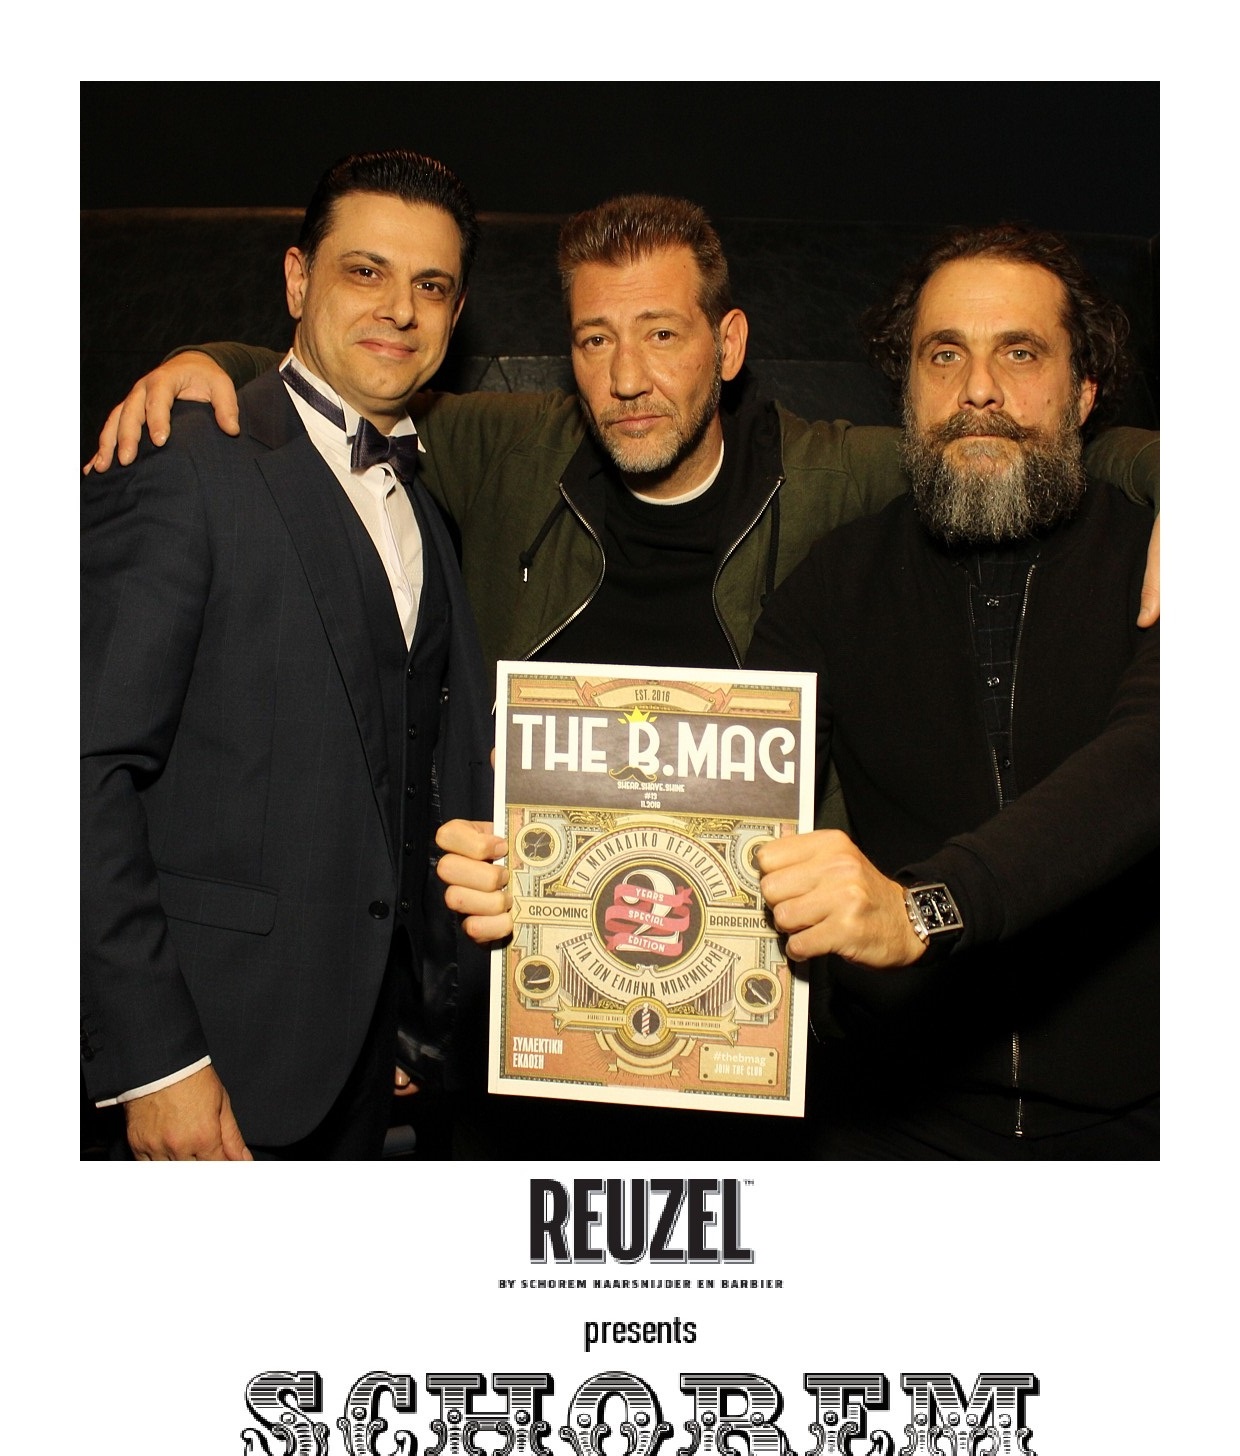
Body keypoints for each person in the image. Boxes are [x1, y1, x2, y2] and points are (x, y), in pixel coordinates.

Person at [87, 197, 1160, 1156]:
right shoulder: (503, 452)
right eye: (595, 339)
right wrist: (209, 364)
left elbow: (1010, 442)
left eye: (662, 333)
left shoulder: (837, 475)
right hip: (523, 1054)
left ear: (728, 344)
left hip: (759, 1061)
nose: (628, 376)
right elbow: (354, 374)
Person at [81, 150, 493, 1159]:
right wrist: (153, 1062)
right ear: (298, 279)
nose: (398, 309)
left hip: (364, 1068)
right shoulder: (185, 458)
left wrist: (412, 1011)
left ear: (455, 312)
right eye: (365, 271)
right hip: (207, 1066)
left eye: (430, 285)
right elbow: (77, 769)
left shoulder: (430, 511)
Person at [744, 224, 1158, 1158]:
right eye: (944, 355)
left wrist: (924, 908)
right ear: (909, 390)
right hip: (895, 1124)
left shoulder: (1160, 561)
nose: (978, 390)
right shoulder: (834, 584)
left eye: (1021, 352)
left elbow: (1152, 760)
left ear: (1085, 390)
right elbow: (723, 795)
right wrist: (551, 852)